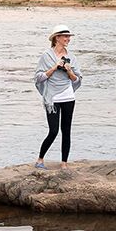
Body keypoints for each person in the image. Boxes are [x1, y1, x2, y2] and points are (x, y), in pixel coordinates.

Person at [34, 24, 82, 170]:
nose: (68, 39)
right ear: (57, 38)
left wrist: (68, 71)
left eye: (69, 36)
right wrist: (54, 67)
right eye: (65, 36)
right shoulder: (46, 56)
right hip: (52, 99)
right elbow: (38, 78)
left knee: (66, 130)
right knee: (53, 130)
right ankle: (40, 159)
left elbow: (77, 79)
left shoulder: (71, 57)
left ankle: (64, 163)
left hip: (68, 97)